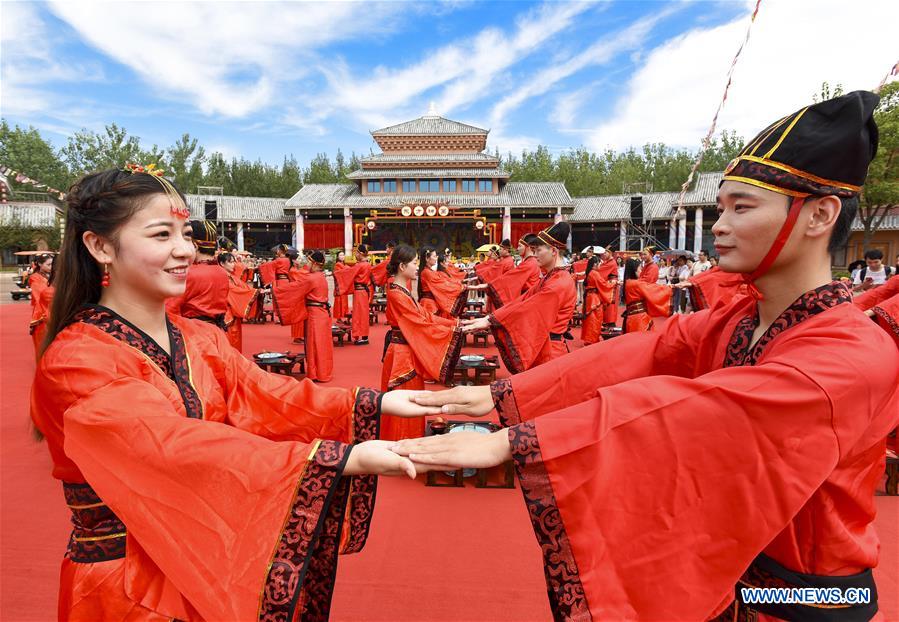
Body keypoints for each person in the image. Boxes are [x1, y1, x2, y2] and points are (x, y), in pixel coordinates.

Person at [392, 91, 898, 621]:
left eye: (741, 208)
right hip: (726, 573)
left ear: (820, 215)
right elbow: (646, 351)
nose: (719, 226)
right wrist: (500, 394)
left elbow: (708, 410)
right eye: (720, 207)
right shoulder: (740, 320)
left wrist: (517, 440)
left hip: (805, 598)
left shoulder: (852, 353)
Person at [31, 165, 425, 621]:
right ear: (100, 246)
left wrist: (375, 403)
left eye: (186, 233)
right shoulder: (76, 360)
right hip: (124, 582)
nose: (184, 250)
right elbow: (170, 446)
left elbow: (268, 396)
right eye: (162, 235)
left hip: (202, 557)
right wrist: (338, 459)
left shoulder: (199, 338)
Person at [461, 223, 576, 373]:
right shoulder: (552, 277)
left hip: (550, 351)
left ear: (553, 251)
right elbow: (522, 301)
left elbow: (528, 308)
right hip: (544, 345)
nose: (535, 255)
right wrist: (490, 318)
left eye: (538, 250)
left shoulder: (558, 283)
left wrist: (491, 321)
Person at [380, 244, 464, 440]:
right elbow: (419, 321)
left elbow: (423, 314)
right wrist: (452, 328)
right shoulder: (396, 292)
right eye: (414, 263)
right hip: (401, 355)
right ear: (402, 266)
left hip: (406, 351)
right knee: (405, 401)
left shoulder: (400, 288)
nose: (417, 267)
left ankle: (409, 438)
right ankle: (401, 442)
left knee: (412, 398)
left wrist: (455, 323)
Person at [272, 251, 335, 382]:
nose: (306, 264)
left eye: (308, 261)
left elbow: (295, 288)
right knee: (323, 344)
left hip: (315, 315)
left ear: (314, 263)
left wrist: (275, 291)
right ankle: (324, 372)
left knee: (314, 344)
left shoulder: (311, 278)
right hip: (322, 313)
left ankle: (316, 373)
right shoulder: (320, 276)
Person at [165, 220, 229, 331]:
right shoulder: (223, 272)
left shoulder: (189, 273)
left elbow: (170, 309)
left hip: (194, 333)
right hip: (217, 332)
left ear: (194, 245)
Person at [468, 234, 542, 308]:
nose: (517, 249)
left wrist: (488, 285)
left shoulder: (529, 263)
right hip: (524, 297)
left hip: (526, 300)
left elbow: (509, 278)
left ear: (528, 247)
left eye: (519, 246)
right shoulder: (528, 262)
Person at [216, 251, 260, 352]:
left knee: (235, 340)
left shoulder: (231, 276)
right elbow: (235, 291)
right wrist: (256, 292)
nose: (234, 264)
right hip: (226, 313)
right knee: (230, 342)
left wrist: (255, 291)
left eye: (234, 261)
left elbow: (243, 287)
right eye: (230, 262)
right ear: (222, 264)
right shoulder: (222, 277)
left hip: (233, 311)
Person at [334, 244, 373, 345]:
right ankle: (364, 335)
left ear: (360, 253)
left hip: (360, 292)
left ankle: (362, 336)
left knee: (359, 314)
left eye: (356, 252)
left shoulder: (360, 265)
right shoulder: (367, 264)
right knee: (363, 314)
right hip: (363, 291)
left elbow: (349, 272)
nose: (355, 254)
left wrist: (336, 274)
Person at [417, 247, 467, 318]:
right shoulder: (427, 272)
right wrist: (462, 287)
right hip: (429, 304)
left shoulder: (430, 272)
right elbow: (444, 285)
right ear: (427, 258)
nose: (436, 258)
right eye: (434, 256)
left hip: (432, 302)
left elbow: (446, 282)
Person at [580, 256, 614, 344]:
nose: (600, 265)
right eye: (599, 263)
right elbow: (603, 284)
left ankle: (589, 339)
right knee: (595, 319)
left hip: (590, 297)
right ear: (595, 264)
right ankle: (592, 339)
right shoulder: (595, 273)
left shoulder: (590, 272)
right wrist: (612, 283)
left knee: (590, 319)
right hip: (594, 298)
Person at [28, 253, 54, 359]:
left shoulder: (52, 275)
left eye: (52, 264)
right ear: (39, 264)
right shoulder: (35, 278)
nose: (51, 267)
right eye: (48, 264)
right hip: (42, 315)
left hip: (52, 312)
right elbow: (42, 297)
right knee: (42, 346)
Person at [332, 249, 350, 320]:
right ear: (337, 257)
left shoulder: (343, 264)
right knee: (339, 302)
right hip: (340, 287)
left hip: (344, 286)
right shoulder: (337, 264)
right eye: (340, 255)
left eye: (343, 255)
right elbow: (339, 274)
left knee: (344, 301)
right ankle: (339, 318)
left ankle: (343, 316)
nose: (342, 256)